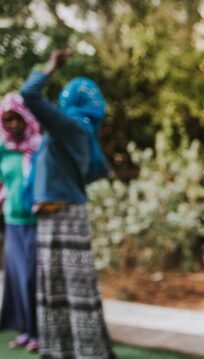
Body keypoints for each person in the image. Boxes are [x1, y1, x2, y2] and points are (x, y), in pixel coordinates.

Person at [20, 49, 114, 358]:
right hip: (61, 214)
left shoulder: (69, 126)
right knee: (65, 289)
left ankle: (81, 351)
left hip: (62, 216)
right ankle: (71, 350)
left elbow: (29, 94)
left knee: (68, 289)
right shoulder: (81, 131)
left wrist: (51, 66)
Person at [0, 93, 43, 352]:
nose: (14, 124)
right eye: (8, 119)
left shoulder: (39, 145)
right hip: (12, 222)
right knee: (16, 279)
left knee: (32, 278)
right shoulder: (3, 149)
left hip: (36, 222)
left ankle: (40, 332)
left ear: (27, 118)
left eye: (17, 119)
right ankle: (25, 331)